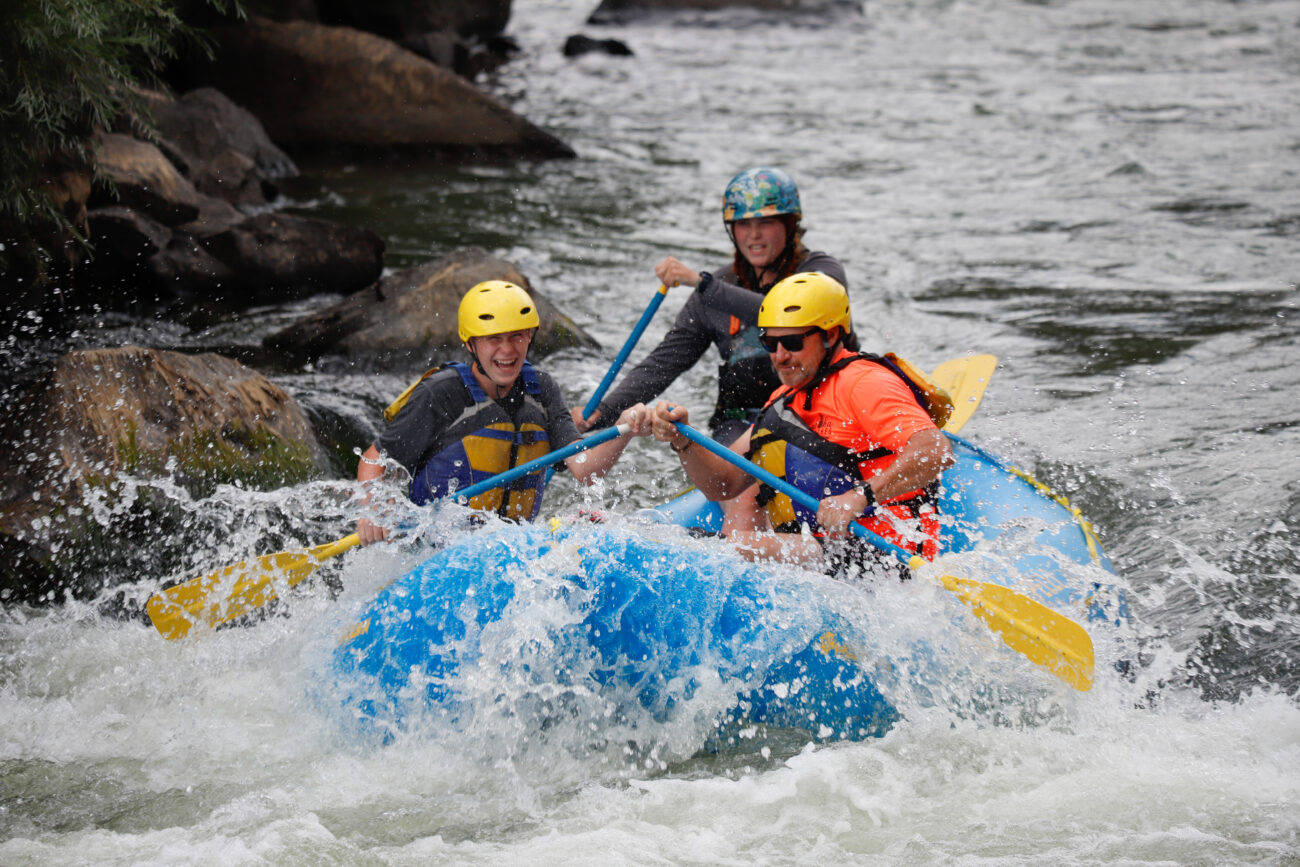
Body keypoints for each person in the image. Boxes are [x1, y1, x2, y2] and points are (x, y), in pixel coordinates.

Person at [645, 272, 954, 575]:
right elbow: (723, 484)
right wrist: (683, 442)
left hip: (884, 555)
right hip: (818, 549)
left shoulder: (865, 383)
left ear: (830, 335)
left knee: (727, 549)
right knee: (713, 544)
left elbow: (935, 449)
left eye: (792, 341)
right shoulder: (785, 398)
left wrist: (860, 497)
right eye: (769, 342)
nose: (779, 356)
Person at [356, 280, 651, 544]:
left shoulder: (542, 390)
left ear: (530, 337)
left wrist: (624, 429)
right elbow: (374, 458)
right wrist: (374, 508)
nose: (508, 350)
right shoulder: (441, 392)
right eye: (493, 338)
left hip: (512, 550)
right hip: (434, 551)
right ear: (471, 343)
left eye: (518, 336)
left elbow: (586, 470)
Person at [573, 167, 847, 447]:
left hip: (818, 411)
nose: (753, 235)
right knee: (729, 478)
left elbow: (786, 311)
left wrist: (703, 284)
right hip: (742, 418)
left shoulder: (822, 273)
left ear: (790, 225)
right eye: (742, 224)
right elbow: (663, 364)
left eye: (765, 223)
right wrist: (602, 413)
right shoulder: (715, 290)